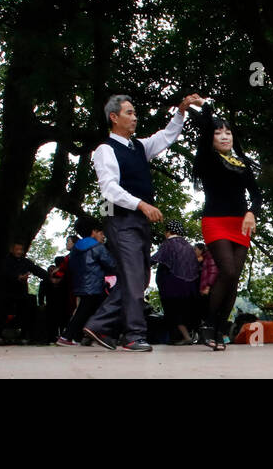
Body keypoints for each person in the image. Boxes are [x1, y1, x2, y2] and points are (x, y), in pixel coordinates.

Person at [83, 92, 197, 352]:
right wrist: (142, 204)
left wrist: (181, 111)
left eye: (135, 113)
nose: (135, 117)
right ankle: (134, 335)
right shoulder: (105, 150)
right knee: (135, 278)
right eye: (129, 113)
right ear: (114, 117)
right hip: (120, 220)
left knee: (138, 278)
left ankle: (100, 324)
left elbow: (166, 137)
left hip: (140, 222)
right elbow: (109, 190)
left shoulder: (138, 147)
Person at [190, 99, 263, 350]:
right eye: (218, 132)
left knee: (234, 279)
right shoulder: (207, 159)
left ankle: (220, 329)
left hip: (240, 224)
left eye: (228, 132)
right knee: (228, 271)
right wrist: (206, 107)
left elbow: (256, 194)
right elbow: (204, 132)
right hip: (216, 222)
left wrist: (252, 212)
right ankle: (208, 324)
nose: (224, 136)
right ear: (211, 137)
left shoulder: (242, 163)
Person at [59, 216, 117, 346]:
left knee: (85, 311)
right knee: (102, 310)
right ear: (94, 231)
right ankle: (71, 336)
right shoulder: (97, 247)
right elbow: (111, 265)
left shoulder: (75, 248)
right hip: (95, 285)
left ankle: (77, 337)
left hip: (80, 284)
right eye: (101, 233)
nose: (102, 236)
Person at [153, 219, 200, 345]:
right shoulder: (189, 246)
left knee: (173, 311)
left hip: (172, 285)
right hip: (190, 286)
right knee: (185, 311)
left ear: (168, 232)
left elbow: (155, 259)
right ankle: (188, 335)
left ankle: (184, 337)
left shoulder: (168, 244)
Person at [0, 242, 48, 343]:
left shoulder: (25, 262)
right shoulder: (6, 261)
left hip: (21, 293)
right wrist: (18, 277)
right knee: (3, 313)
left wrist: (49, 276)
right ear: (12, 250)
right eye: (17, 249)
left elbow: (36, 270)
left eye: (21, 250)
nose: (19, 252)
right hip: (7, 292)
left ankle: (23, 335)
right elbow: (5, 273)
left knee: (25, 312)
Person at [189, 242, 216, 340]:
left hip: (205, 290)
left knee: (206, 312)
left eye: (195, 249)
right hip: (197, 290)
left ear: (201, 250)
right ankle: (200, 335)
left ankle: (208, 336)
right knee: (197, 313)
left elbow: (212, 272)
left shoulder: (207, 258)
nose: (194, 251)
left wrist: (208, 286)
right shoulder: (195, 260)